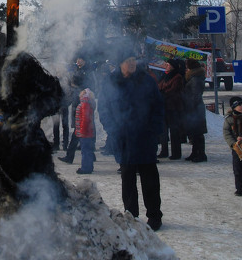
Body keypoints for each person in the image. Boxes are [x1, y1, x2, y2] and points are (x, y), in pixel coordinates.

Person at [103, 43, 165, 231]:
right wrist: (113, 130)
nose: (132, 64)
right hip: (123, 138)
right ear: (120, 64)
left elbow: (158, 107)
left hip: (145, 137)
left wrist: (154, 130)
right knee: (127, 179)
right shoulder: (110, 82)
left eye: (133, 61)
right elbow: (104, 109)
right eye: (128, 61)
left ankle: (154, 215)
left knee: (150, 179)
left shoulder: (146, 81)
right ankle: (131, 215)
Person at [158, 58, 185, 160]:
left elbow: (173, 91)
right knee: (163, 131)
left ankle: (176, 153)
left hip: (173, 107)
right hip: (164, 106)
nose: (166, 65)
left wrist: (163, 93)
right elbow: (159, 86)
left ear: (173, 66)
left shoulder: (177, 77)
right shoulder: (165, 76)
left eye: (168, 64)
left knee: (174, 131)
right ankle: (164, 151)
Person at [183, 58, 208, 162]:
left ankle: (201, 154)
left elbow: (194, 95)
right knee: (194, 132)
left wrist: (189, 106)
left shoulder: (194, 79)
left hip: (195, 109)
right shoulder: (195, 77)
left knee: (197, 133)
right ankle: (195, 152)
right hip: (195, 108)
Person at [75, 88, 96, 174]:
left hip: (85, 132)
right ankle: (89, 167)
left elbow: (85, 119)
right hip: (88, 132)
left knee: (85, 151)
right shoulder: (88, 103)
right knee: (88, 150)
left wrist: (82, 131)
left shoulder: (84, 103)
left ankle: (85, 168)